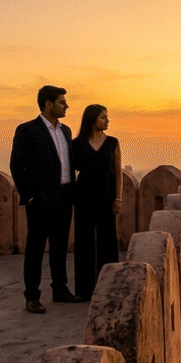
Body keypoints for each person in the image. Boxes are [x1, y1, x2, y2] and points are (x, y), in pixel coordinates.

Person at [9, 85, 85, 313]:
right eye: (62, 102)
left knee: (60, 246)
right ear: (48, 104)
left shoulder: (65, 131)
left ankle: (60, 289)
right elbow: (17, 165)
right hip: (41, 199)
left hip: (64, 196)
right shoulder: (28, 130)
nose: (67, 106)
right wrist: (30, 196)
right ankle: (32, 296)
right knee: (35, 248)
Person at [71, 104, 122, 299]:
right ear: (92, 119)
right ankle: (84, 290)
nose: (107, 121)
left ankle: (110, 287)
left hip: (106, 195)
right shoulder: (77, 144)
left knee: (107, 240)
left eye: (107, 117)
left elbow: (118, 173)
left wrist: (118, 198)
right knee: (84, 241)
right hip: (83, 195)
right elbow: (71, 170)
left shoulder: (112, 143)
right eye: (103, 117)